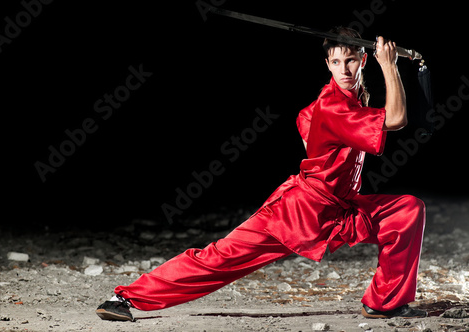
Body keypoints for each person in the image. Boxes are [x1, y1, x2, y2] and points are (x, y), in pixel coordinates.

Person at [96, 27, 427, 322]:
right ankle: (126, 296)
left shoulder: (340, 102)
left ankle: (385, 302)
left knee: (406, 211)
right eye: (336, 62)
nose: (344, 69)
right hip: (298, 213)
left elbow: (304, 119)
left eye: (351, 61)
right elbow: (396, 119)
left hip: (340, 209)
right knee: (219, 259)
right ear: (327, 65)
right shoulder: (333, 105)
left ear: (362, 61)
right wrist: (390, 65)